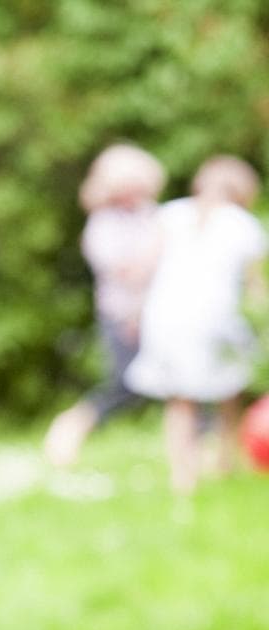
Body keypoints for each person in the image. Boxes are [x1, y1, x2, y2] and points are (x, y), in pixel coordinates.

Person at [125, 155, 268, 494]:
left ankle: (182, 478)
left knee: (179, 400)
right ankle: (224, 462)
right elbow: (255, 288)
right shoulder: (244, 224)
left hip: (166, 316)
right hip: (215, 317)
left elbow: (145, 268)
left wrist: (133, 313)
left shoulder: (170, 213)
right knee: (229, 390)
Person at [44, 144, 166, 467]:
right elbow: (126, 273)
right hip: (122, 315)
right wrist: (155, 254)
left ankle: (201, 450)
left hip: (157, 313)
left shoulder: (149, 214)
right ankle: (72, 426)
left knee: (182, 380)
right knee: (125, 386)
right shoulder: (102, 225)